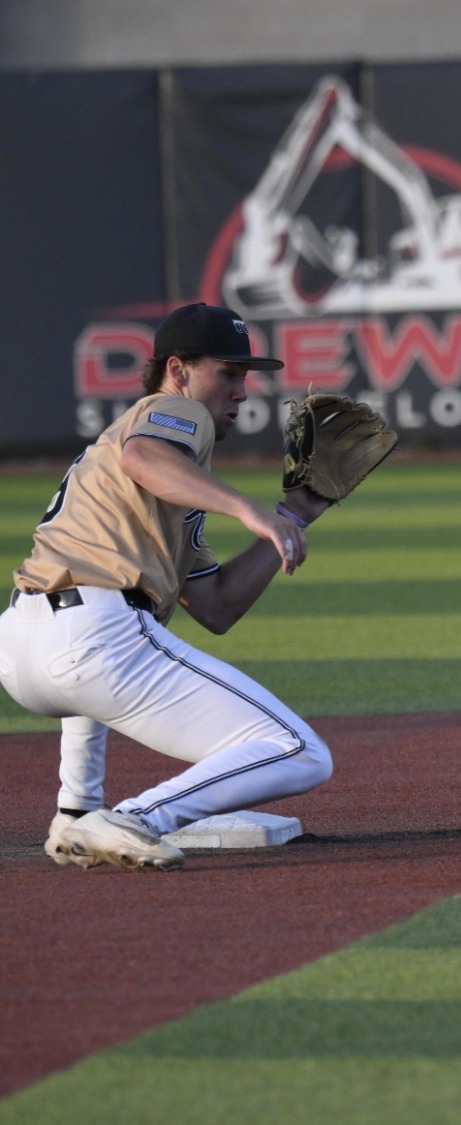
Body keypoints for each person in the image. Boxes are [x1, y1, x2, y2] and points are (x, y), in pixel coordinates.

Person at [0, 303, 338, 871]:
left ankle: (77, 810)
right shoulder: (174, 411)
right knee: (300, 752)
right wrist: (253, 513)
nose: (241, 391)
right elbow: (146, 456)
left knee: (110, 637)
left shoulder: (165, 496)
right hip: (93, 639)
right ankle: (137, 817)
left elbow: (216, 605)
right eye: (227, 374)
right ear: (178, 370)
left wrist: (296, 512)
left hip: (20, 649)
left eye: (245, 377)